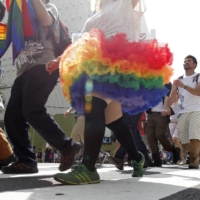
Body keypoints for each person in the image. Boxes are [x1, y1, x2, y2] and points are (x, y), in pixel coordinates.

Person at [47, 0, 173, 185]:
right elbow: (82, 39)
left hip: (117, 64)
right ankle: (137, 157)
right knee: (115, 121)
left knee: (94, 105)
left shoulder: (124, 3)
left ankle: (89, 167)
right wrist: (59, 58)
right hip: (97, 65)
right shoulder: (96, 14)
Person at [1, 0, 80, 174]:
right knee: (12, 117)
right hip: (22, 72)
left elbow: (45, 20)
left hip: (43, 67)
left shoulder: (49, 8)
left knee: (32, 109)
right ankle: (27, 161)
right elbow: (5, 37)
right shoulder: (18, 15)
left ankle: (67, 146)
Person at [168, 55, 200, 169]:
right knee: (183, 139)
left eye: (189, 61)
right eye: (184, 61)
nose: (186, 62)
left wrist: (184, 86)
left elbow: (199, 92)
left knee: (193, 134)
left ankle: (193, 160)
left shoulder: (198, 76)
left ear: (194, 64)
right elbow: (172, 96)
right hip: (183, 111)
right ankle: (196, 154)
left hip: (197, 109)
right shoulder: (178, 80)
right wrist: (167, 107)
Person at [145, 83, 180, 167]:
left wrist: (165, 109)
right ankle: (156, 160)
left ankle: (174, 149)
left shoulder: (167, 83)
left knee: (160, 135)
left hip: (162, 114)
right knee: (150, 136)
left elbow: (167, 97)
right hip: (150, 114)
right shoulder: (149, 83)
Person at [169, 93, 186, 165]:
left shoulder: (181, 103)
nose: (173, 95)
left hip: (179, 123)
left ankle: (183, 159)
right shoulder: (170, 104)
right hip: (171, 124)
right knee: (175, 142)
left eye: (175, 93)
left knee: (175, 138)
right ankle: (178, 159)